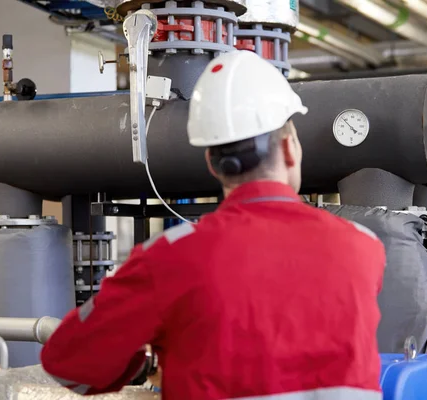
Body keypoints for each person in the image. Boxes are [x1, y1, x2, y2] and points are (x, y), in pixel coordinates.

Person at [41, 50, 386, 399]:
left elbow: (66, 363)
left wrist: (146, 362)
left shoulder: (168, 258)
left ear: (211, 163)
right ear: (289, 148)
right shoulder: (364, 246)